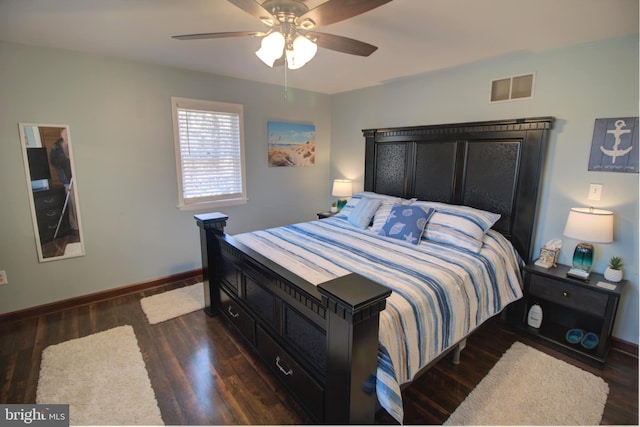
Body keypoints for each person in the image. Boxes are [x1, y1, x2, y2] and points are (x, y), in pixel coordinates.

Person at [49, 128, 78, 233]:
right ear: (62, 134)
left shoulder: (73, 142)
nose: (67, 135)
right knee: (73, 204)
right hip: (68, 179)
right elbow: (54, 161)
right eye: (65, 133)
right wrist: (67, 159)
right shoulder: (57, 147)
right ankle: (75, 227)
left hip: (78, 177)